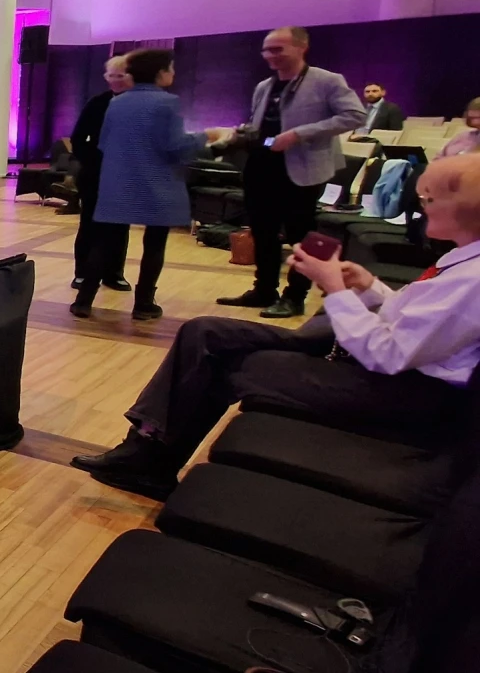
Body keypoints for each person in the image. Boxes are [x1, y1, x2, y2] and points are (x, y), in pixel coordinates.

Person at [73, 153, 480, 499]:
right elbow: (420, 325)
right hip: (392, 372)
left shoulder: (471, 279)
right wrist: (370, 287)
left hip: (403, 393)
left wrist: (336, 289)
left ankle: (149, 461)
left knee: (228, 363)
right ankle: (145, 452)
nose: (421, 206)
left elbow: (388, 354)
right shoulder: (464, 262)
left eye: (428, 198)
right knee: (206, 333)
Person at [70, 50, 234, 321]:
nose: (173, 73)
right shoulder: (167, 103)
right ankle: (144, 304)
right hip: (157, 184)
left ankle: (83, 301)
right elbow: (176, 147)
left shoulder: (115, 103)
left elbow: (104, 143)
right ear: (160, 73)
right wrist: (208, 136)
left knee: (103, 241)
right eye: (171, 68)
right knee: (154, 244)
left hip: (118, 180)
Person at [216, 27, 367, 319]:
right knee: (263, 232)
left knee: (301, 236)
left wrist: (299, 134)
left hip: (302, 169)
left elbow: (355, 115)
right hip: (261, 164)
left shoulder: (327, 80)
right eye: (266, 50)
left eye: (277, 49)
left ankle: (295, 297)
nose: (269, 55)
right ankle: (264, 290)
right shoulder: (264, 86)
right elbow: (259, 124)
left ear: (301, 47)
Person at [69, 55, 136, 293]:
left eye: (121, 75)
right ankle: (83, 273)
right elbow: (78, 139)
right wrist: (96, 159)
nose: (115, 80)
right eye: (111, 75)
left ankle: (113, 273)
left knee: (120, 226)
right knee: (89, 224)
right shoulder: (97, 103)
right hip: (96, 173)